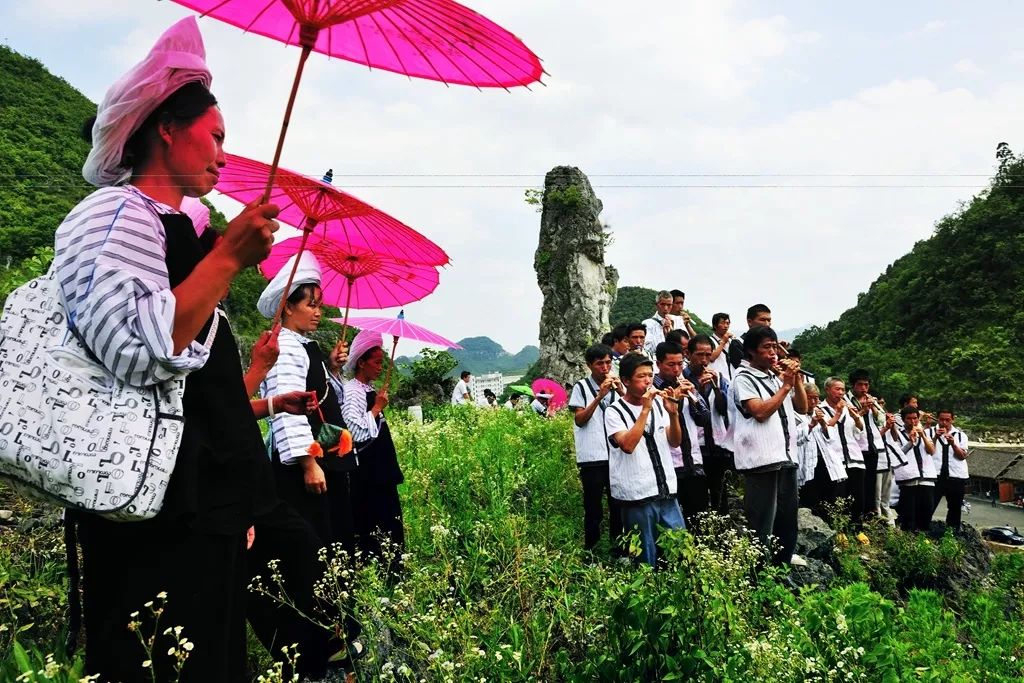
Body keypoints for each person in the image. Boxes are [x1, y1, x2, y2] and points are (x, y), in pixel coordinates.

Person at [56, 18, 286, 681]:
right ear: (165, 126)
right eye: (214, 136)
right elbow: (137, 349)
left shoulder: (173, 227)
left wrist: (234, 500)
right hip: (150, 515)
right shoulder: (115, 215)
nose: (221, 155)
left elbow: (203, 386)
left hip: (194, 507)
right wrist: (227, 263)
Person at [258, 252, 356, 552]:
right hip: (304, 462)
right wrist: (308, 464)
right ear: (287, 306)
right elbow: (288, 409)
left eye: (319, 305)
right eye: (310, 304)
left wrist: (333, 367)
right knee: (313, 539)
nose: (317, 312)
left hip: (321, 454)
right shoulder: (285, 347)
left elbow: (321, 397)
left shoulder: (302, 345)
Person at [728, 326, 807, 566]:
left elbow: (803, 408)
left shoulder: (774, 376)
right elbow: (760, 412)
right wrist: (785, 386)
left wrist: (796, 382)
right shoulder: (743, 379)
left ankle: (781, 567)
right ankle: (759, 574)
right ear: (751, 352)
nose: (773, 352)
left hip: (785, 458)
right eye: (766, 347)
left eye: (774, 346)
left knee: (786, 520)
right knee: (763, 522)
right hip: (761, 461)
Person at [605, 353, 685, 566]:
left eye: (650, 375)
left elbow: (675, 441)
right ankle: (649, 595)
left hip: (666, 490)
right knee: (644, 556)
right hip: (637, 495)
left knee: (680, 551)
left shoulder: (660, 405)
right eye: (642, 376)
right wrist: (645, 410)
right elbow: (628, 445)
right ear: (626, 381)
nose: (648, 381)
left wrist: (674, 414)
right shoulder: (614, 412)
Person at [343, 331, 406, 571]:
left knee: (389, 519)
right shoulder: (352, 392)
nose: (380, 367)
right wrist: (377, 408)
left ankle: (393, 568)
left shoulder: (367, 390)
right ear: (361, 362)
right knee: (373, 520)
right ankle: (379, 568)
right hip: (367, 472)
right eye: (376, 362)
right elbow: (354, 432)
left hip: (381, 470)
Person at [569, 344, 624, 554]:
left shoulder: (617, 387)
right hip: (592, 457)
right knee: (593, 507)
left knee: (618, 503)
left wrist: (621, 391)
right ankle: (591, 549)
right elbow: (580, 420)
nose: (605, 367)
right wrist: (599, 396)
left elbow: (631, 413)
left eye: (608, 362)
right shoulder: (581, 387)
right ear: (590, 365)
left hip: (616, 454)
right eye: (600, 363)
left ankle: (618, 548)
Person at [654, 341, 710, 533]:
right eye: (671, 365)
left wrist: (694, 394)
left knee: (699, 520)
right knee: (671, 525)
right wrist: (674, 400)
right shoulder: (652, 390)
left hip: (693, 462)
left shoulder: (687, 384)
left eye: (680, 364)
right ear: (658, 363)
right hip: (668, 464)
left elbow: (705, 418)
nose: (677, 369)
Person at [685, 334, 734, 515]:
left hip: (717, 444)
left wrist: (716, 387)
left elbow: (724, 410)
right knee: (698, 495)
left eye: (708, 355)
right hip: (695, 446)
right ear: (688, 354)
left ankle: (722, 531)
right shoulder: (683, 378)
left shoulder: (720, 378)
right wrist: (696, 389)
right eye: (699, 355)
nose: (704, 360)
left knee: (720, 493)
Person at [796, 384, 848, 524]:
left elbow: (831, 437)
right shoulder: (795, 414)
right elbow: (796, 439)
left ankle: (834, 528)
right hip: (807, 464)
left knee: (830, 498)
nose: (813, 402)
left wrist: (823, 424)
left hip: (824, 462)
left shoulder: (818, 412)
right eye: (809, 398)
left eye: (816, 398)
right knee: (812, 499)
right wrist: (811, 425)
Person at [818, 377, 867, 525]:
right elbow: (824, 431)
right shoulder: (820, 409)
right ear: (827, 390)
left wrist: (857, 418)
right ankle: (839, 528)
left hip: (854, 458)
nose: (841, 392)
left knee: (857, 495)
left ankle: (857, 527)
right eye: (837, 389)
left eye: (843, 389)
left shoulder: (849, 408)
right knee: (837, 496)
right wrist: (838, 413)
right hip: (835, 459)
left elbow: (859, 431)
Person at [889, 406, 937, 532]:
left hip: (926, 477)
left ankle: (923, 537)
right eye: (909, 419)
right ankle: (908, 538)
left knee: (926, 510)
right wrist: (910, 442)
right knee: (908, 513)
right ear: (903, 420)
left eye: (915, 418)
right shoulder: (897, 434)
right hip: (908, 478)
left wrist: (922, 435)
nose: (913, 421)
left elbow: (931, 451)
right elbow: (898, 453)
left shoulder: (924, 432)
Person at [847, 370, 886, 519]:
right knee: (857, 486)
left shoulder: (871, 399)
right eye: (860, 385)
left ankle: (869, 514)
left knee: (871, 483)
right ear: (853, 385)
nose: (863, 388)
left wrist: (874, 408)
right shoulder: (847, 400)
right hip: (855, 448)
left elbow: (881, 420)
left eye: (866, 385)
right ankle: (856, 516)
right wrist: (863, 410)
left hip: (871, 446)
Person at [928, 410, 970, 530]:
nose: (944, 423)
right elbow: (927, 451)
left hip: (956, 476)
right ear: (937, 419)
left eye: (947, 420)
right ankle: (922, 529)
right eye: (941, 419)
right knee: (929, 504)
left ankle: (952, 532)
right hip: (935, 475)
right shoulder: (928, 432)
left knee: (955, 508)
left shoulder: (961, 435)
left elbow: (962, 456)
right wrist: (935, 437)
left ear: (953, 420)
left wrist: (953, 444)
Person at [727, 304, 772, 370]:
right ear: (749, 322)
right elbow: (745, 368)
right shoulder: (738, 344)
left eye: (769, 320)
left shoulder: (771, 345)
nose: (767, 324)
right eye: (762, 320)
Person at [642, 290, 676, 355]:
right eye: (663, 304)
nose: (666, 308)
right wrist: (663, 335)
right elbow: (647, 349)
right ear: (657, 305)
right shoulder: (647, 324)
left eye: (669, 305)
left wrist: (672, 331)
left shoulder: (675, 321)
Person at [708, 313, 735, 382]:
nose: (726, 326)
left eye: (727, 323)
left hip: (732, 378)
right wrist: (723, 342)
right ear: (715, 325)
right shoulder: (709, 340)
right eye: (722, 323)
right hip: (718, 379)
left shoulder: (731, 340)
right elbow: (711, 357)